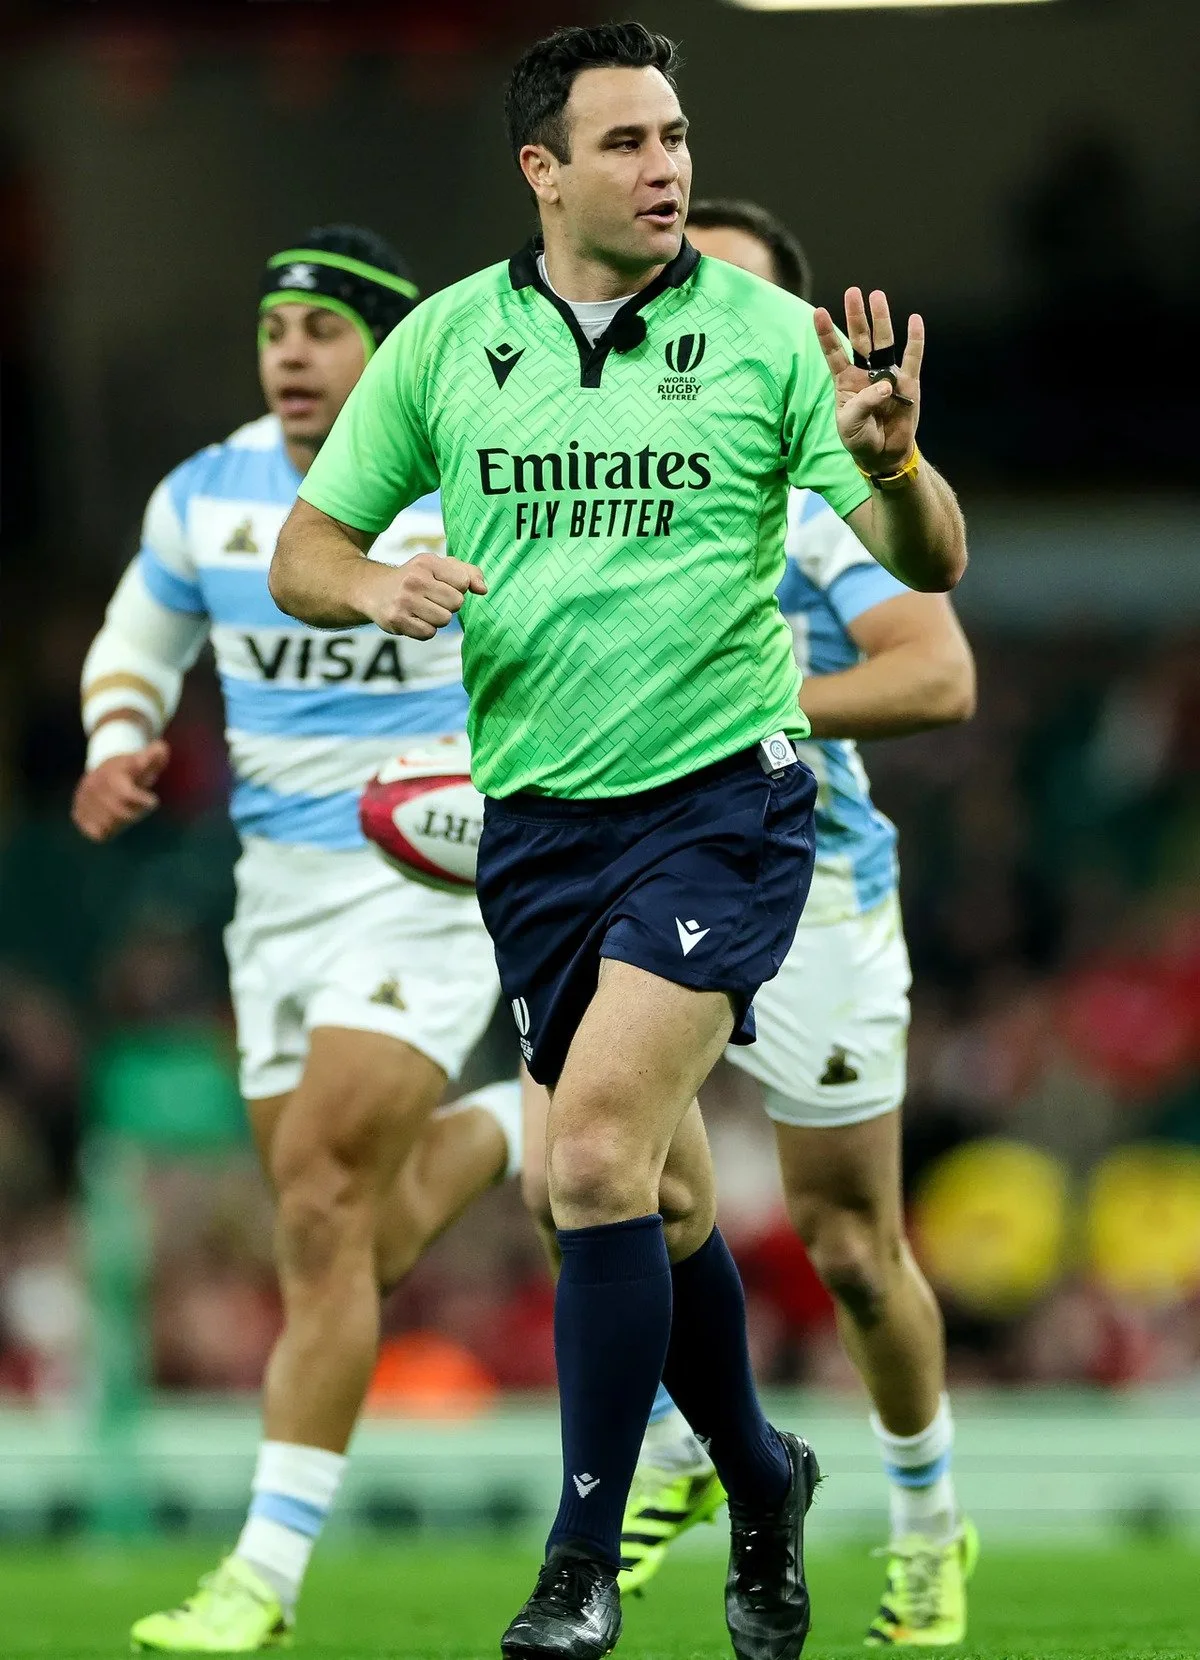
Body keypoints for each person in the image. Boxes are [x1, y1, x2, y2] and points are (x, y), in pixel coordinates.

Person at [269, 24, 966, 1660]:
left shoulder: (773, 338)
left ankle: (578, 1563)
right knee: (641, 1200)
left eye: (678, 136)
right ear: (544, 170)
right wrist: (373, 585)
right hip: (538, 827)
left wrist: (898, 464)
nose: (670, 169)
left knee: (580, 1161)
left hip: (725, 806)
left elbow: (929, 568)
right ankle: (759, 1475)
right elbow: (314, 542)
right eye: (631, 143)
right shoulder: (444, 346)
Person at [72, 224, 520, 1654]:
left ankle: (259, 1581)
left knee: (323, 1192)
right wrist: (119, 733)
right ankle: (522, 1125)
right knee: (344, 1244)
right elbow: (135, 641)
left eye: (324, 331)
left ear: (387, 347)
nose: (292, 355)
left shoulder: (473, 482)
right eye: (276, 331)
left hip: (432, 885)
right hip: (276, 908)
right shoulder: (206, 498)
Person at [608, 198, 979, 1648]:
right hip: (640, 878)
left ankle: (929, 1528)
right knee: (596, 1179)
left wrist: (731, 710)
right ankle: (694, 1448)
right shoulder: (608, 483)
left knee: (848, 1248)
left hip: (813, 886)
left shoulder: (822, 495)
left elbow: (937, 676)